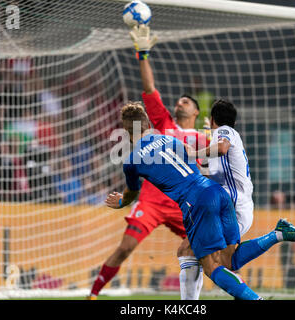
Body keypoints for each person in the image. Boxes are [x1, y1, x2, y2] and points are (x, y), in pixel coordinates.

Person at [89, 25, 209, 300]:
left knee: (208, 252)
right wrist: (142, 54)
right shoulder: (164, 124)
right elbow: (149, 88)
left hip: (184, 202)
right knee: (125, 247)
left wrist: (213, 134)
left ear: (197, 111)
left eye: (186, 101)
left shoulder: (202, 138)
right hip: (153, 201)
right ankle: (93, 294)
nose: (180, 102)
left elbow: (216, 156)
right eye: (179, 100)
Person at [105, 101, 266, 299]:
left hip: (195, 202)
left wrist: (121, 202)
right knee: (226, 260)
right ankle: (277, 235)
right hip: (217, 191)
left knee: (210, 266)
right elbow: (198, 168)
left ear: (127, 132)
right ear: (147, 124)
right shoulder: (171, 141)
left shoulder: (132, 161)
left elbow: (131, 193)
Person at [186, 99, 295, 277]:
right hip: (233, 204)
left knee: (212, 258)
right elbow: (210, 174)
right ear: (235, 121)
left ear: (214, 119)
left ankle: (277, 235)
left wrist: (193, 153)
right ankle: (277, 235)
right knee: (204, 255)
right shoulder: (222, 136)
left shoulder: (225, 131)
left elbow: (222, 148)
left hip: (234, 205)